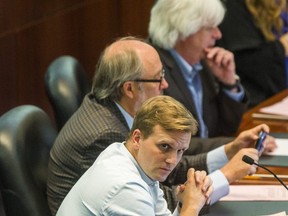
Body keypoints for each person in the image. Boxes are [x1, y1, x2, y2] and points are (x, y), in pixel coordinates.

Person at [47, 36, 273, 215]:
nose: (165, 83)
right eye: (157, 78)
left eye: (179, 151)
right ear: (129, 89)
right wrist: (198, 200)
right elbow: (154, 196)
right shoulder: (105, 139)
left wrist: (227, 152)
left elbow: (160, 205)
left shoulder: (131, 154)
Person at [56, 95, 213, 216]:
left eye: (180, 151)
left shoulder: (130, 158)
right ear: (137, 138)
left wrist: (183, 204)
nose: (172, 160)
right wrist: (192, 207)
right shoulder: (125, 187)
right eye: (164, 146)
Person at [148, 0, 249, 138]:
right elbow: (173, 141)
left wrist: (229, 83)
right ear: (183, 29)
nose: (218, 34)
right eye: (209, 28)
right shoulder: (152, 69)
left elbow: (227, 128)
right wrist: (230, 146)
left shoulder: (202, 61)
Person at [217, 0, 288, 107]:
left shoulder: (274, 6)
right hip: (255, 100)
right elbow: (251, 64)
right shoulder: (232, 8)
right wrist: (282, 47)